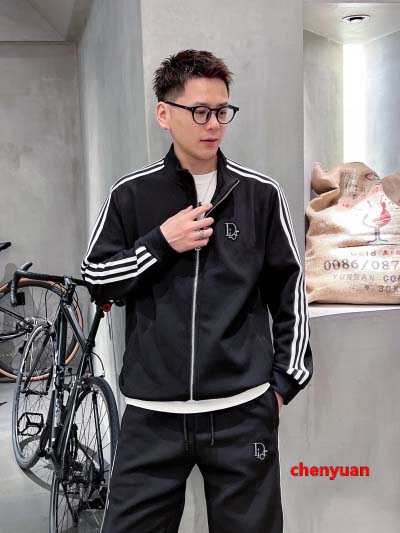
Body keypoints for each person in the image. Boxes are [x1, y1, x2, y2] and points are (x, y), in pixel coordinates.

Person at [81, 49, 313, 533]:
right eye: (200, 112)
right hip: (152, 416)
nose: (214, 125)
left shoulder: (260, 195)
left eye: (222, 111)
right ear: (164, 114)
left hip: (241, 414)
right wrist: (160, 243)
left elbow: (289, 289)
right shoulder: (131, 194)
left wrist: (283, 385)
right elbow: (98, 278)